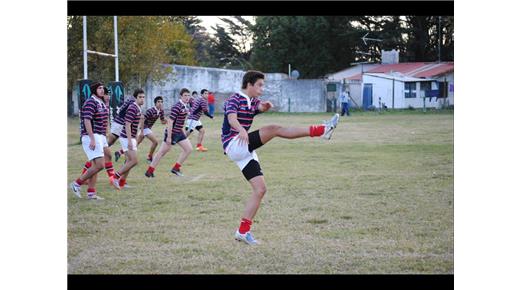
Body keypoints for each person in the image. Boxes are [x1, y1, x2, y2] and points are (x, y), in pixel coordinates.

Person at [222, 70, 339, 245]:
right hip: (234, 144)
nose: (262, 88)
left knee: (260, 190)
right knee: (275, 129)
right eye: (260, 85)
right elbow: (232, 119)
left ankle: (242, 232)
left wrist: (265, 107)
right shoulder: (234, 99)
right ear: (249, 84)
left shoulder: (252, 101)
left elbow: (257, 108)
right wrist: (241, 130)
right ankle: (321, 130)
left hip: (244, 151)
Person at [70, 82, 111, 200]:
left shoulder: (101, 103)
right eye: (99, 88)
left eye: (103, 88)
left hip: (100, 136)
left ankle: (91, 194)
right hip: (91, 136)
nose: (102, 90)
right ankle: (76, 184)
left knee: (98, 164)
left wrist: (104, 134)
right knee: (99, 165)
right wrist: (92, 138)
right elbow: (87, 121)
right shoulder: (90, 102)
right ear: (94, 90)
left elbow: (103, 119)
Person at [145, 88, 193, 178]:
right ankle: (149, 171)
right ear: (181, 96)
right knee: (162, 152)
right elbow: (170, 121)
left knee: (189, 149)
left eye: (188, 95)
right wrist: (169, 137)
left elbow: (181, 121)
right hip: (172, 133)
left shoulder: (186, 106)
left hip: (179, 132)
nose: (187, 97)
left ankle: (176, 168)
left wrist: (183, 132)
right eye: (185, 95)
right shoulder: (177, 106)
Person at [111, 89, 146, 189]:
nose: (142, 99)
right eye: (140, 97)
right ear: (135, 98)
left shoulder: (138, 108)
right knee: (134, 161)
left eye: (143, 97)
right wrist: (130, 140)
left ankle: (122, 182)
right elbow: (127, 124)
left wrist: (135, 137)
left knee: (128, 161)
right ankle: (115, 177)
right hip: (126, 137)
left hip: (130, 137)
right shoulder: (132, 107)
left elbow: (135, 124)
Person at [134, 96, 167, 163]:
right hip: (144, 128)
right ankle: (149, 157)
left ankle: (120, 152)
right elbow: (142, 119)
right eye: (158, 102)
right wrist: (142, 131)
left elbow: (162, 121)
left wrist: (168, 121)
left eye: (161, 102)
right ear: (155, 103)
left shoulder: (161, 111)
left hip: (147, 128)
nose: (160, 103)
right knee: (155, 142)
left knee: (136, 143)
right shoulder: (151, 111)